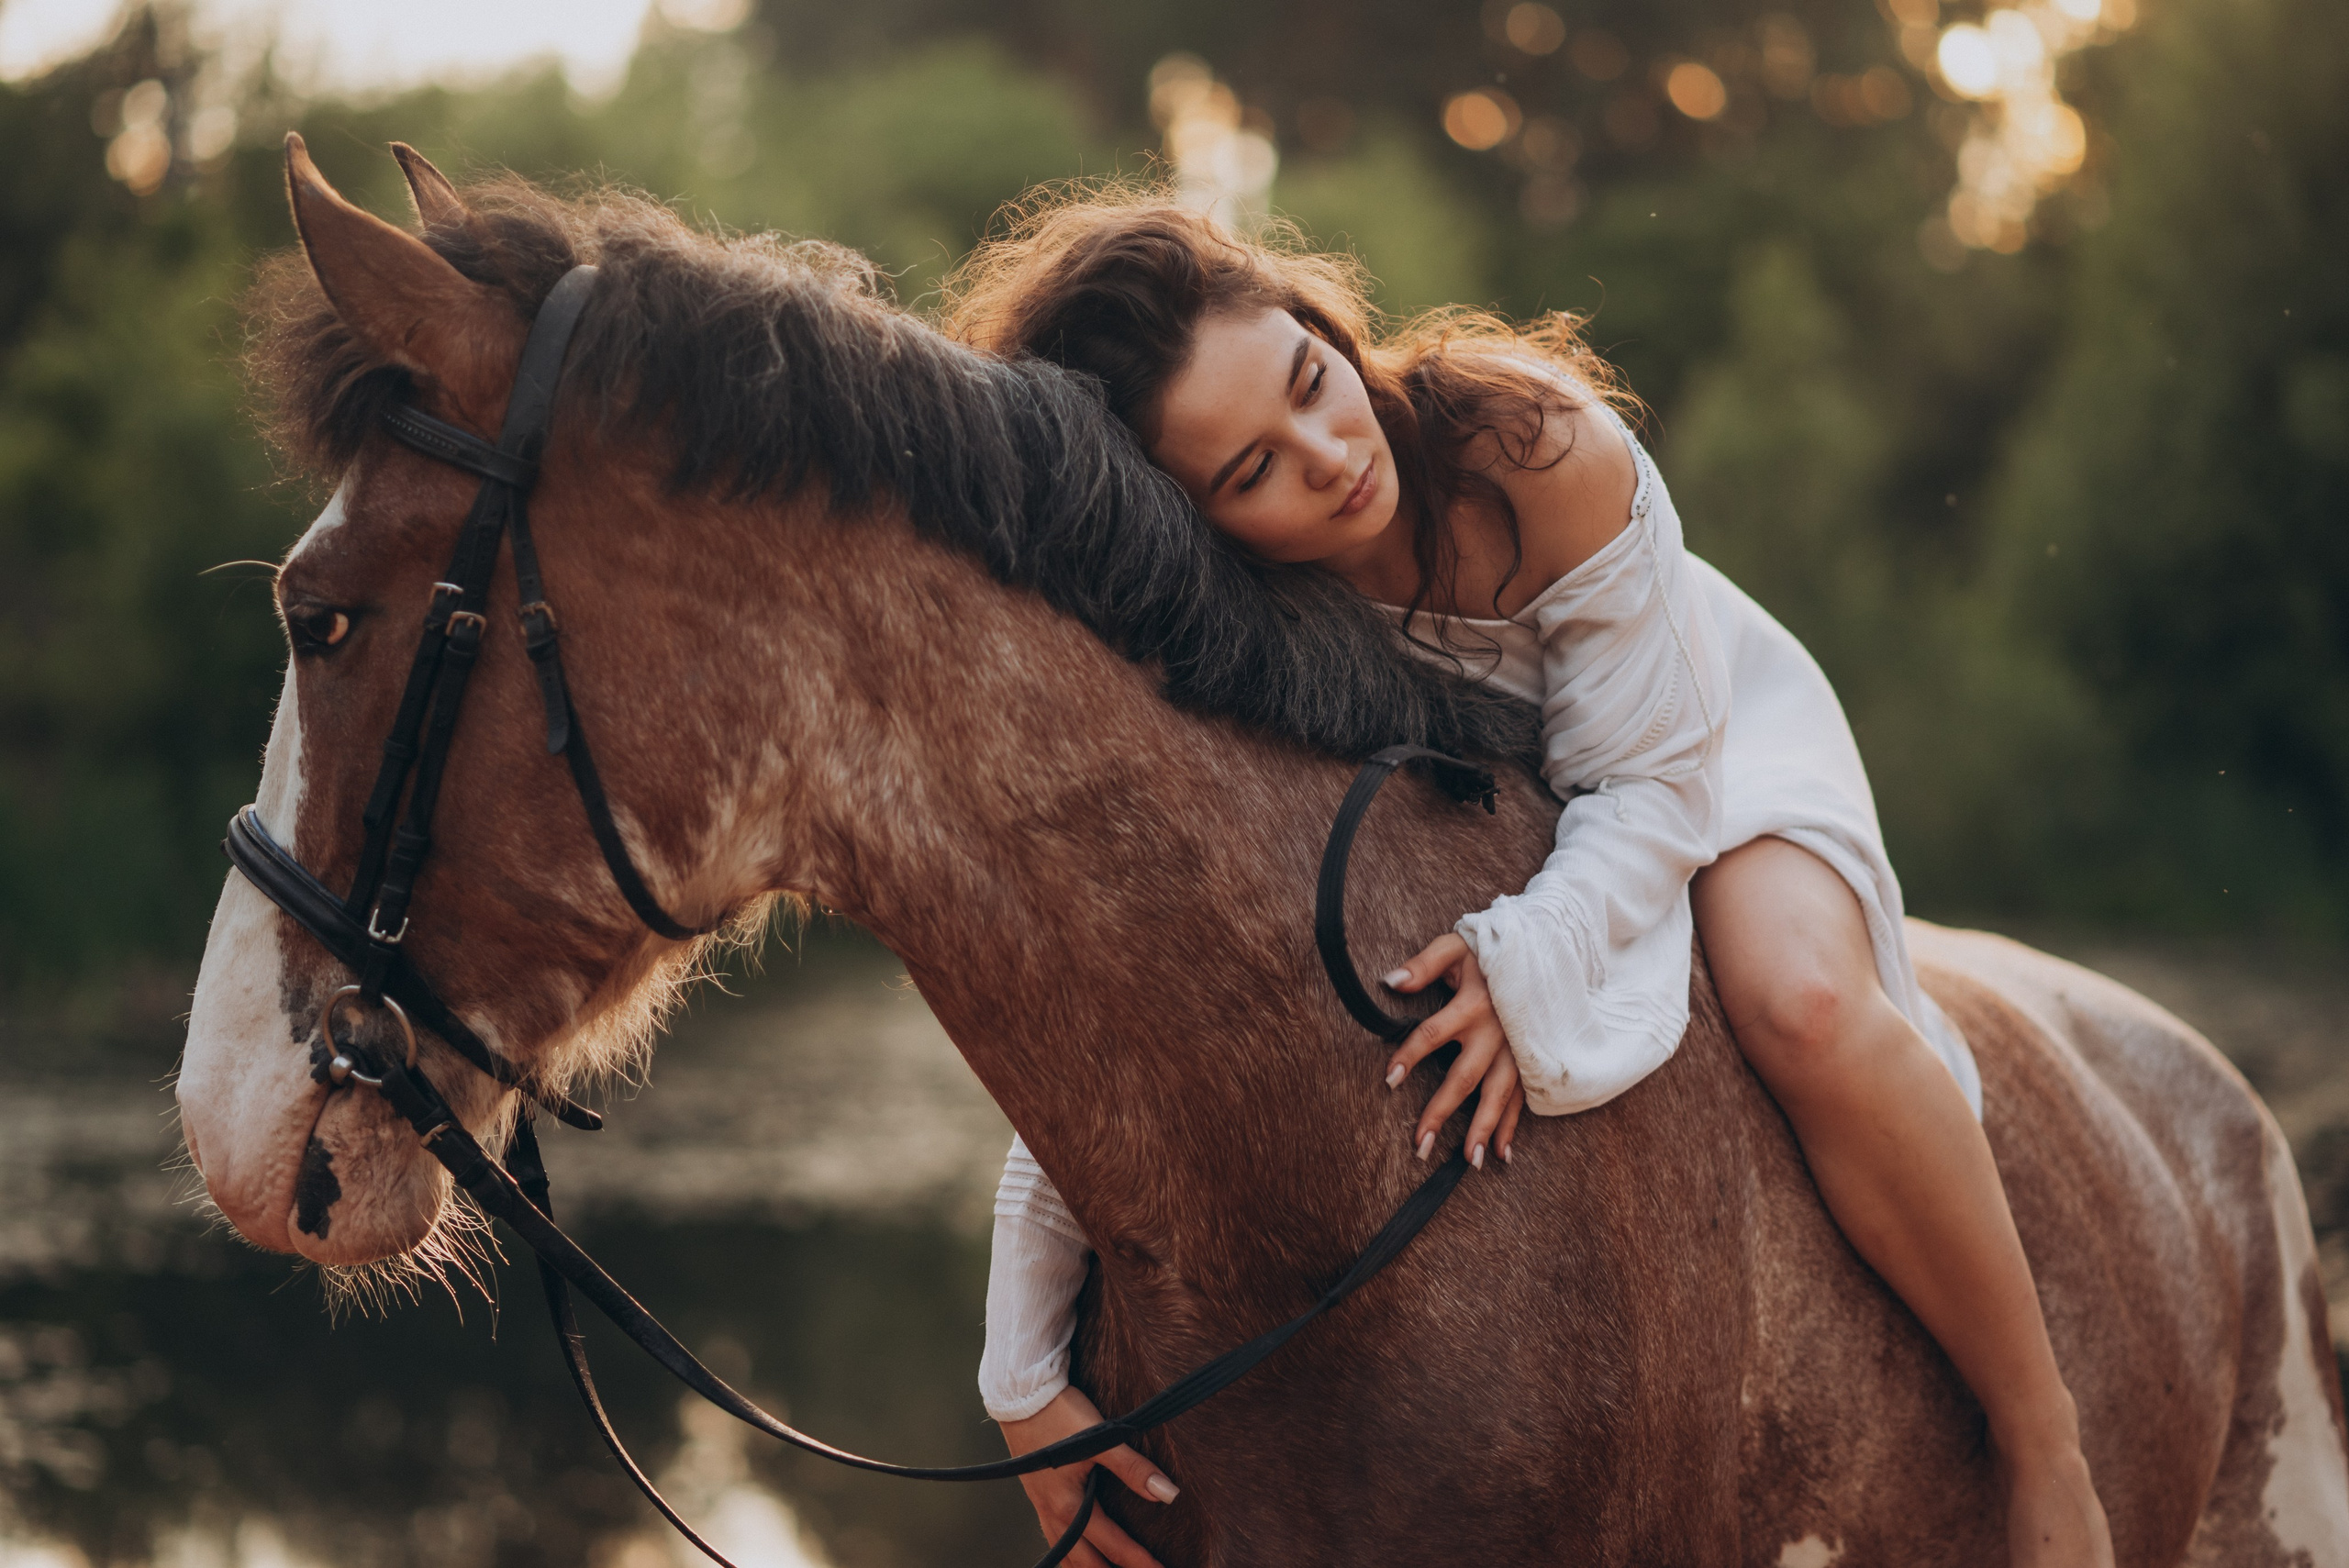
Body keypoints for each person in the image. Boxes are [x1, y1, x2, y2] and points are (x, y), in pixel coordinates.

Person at [935, 191, 2113, 1568]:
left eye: (1311, 382)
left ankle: (2044, 1437)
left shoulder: (1530, 445)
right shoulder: (1225, 631)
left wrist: (1528, 955)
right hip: (1477, 808)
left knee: (1798, 1001)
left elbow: (1652, 788)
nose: (1326, 455)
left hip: (1693, 746)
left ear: (1321, 321)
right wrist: (1020, 1380)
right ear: (1193, 525)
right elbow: (1139, 1011)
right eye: (1250, 472)